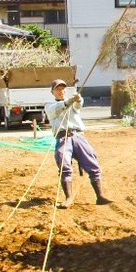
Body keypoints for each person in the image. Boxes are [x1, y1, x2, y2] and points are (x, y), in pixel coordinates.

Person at [45, 79, 111, 207]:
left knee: (92, 163)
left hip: (78, 136)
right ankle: (68, 198)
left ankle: (100, 196)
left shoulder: (73, 103)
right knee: (63, 164)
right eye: (57, 89)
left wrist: (78, 99)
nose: (61, 91)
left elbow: (78, 105)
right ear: (52, 92)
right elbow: (57, 108)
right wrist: (69, 101)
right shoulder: (49, 106)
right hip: (63, 138)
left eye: (63, 88)